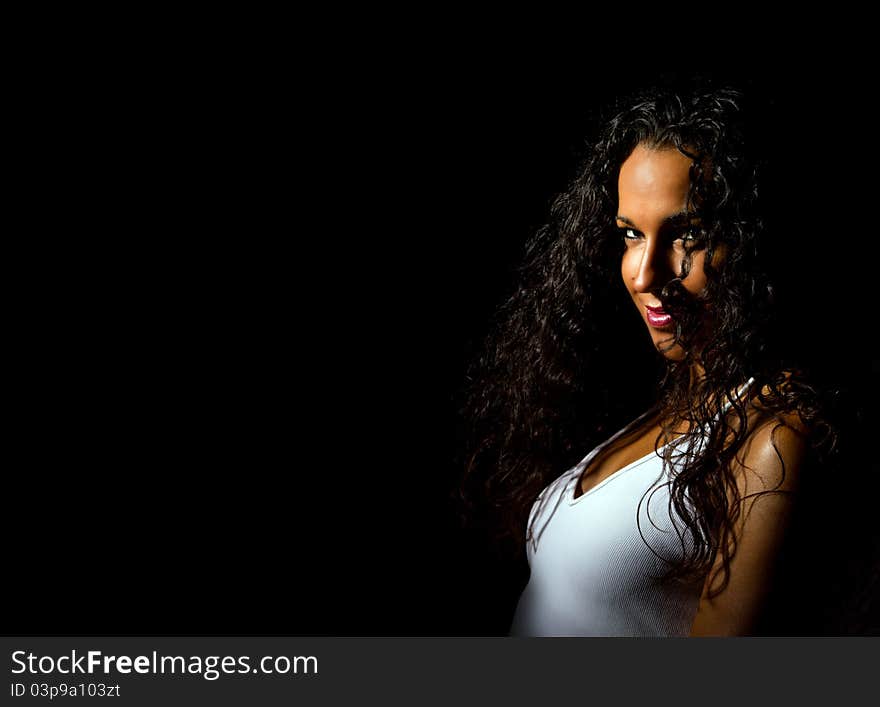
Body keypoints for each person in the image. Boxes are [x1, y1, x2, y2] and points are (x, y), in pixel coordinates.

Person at [456, 84, 848, 636]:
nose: (643, 275)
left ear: (757, 242)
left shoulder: (776, 436)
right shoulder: (673, 400)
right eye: (631, 234)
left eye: (688, 235)